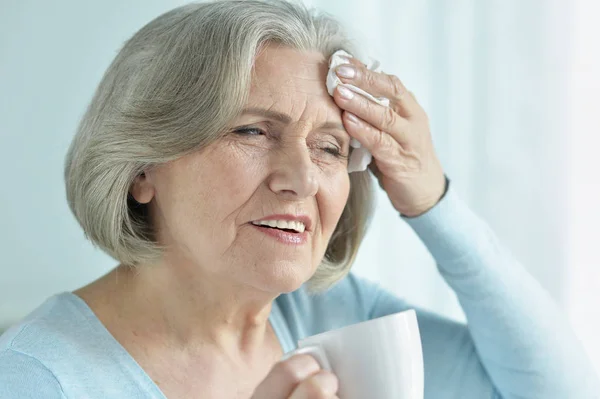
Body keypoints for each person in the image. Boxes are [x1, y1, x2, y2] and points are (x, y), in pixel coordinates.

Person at [0, 1, 597, 398]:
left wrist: (432, 200)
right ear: (141, 169)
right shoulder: (37, 377)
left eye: (331, 147)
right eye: (252, 132)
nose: (304, 179)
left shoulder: (334, 316)